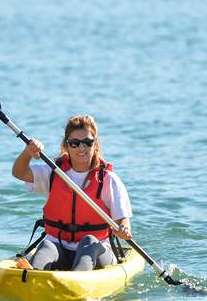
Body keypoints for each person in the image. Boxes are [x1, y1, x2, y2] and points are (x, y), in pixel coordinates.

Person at [12, 115, 132, 271]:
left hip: (98, 251)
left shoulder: (109, 180)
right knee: (47, 245)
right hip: (59, 247)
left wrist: (124, 230)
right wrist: (28, 152)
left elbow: (124, 222)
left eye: (87, 143)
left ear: (95, 145)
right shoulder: (53, 173)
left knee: (88, 242)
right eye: (74, 143)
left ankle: (77, 283)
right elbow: (19, 172)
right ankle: (33, 277)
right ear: (66, 146)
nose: (81, 148)